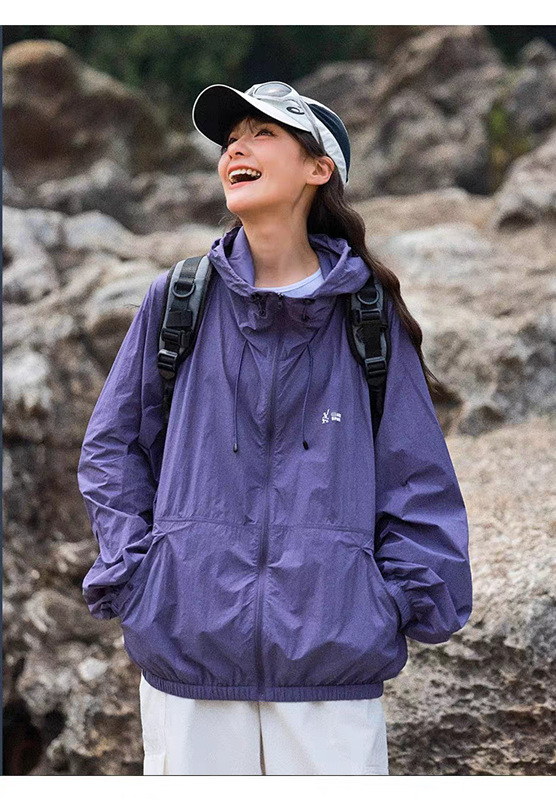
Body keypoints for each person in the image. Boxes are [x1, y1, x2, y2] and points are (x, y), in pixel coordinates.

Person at [77, 80, 473, 776]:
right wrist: (141, 575)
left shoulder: (367, 316)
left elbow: (415, 476)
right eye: (231, 140)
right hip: (188, 661)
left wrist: (387, 604)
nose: (237, 148)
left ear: (319, 167)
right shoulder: (178, 299)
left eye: (263, 134)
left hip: (331, 670)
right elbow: (112, 448)